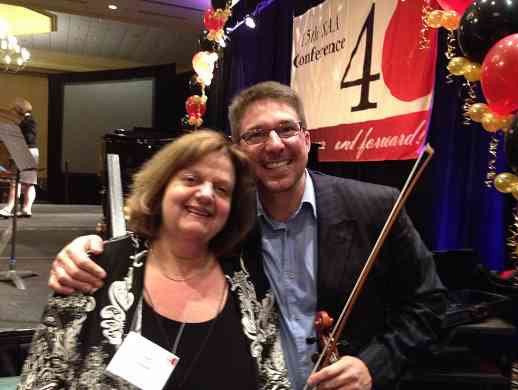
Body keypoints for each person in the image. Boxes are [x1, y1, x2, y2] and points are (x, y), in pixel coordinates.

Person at [48, 82, 447, 390]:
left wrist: (371, 365)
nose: (274, 145)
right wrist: (86, 249)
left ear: (307, 139)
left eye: (287, 129)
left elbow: (429, 305)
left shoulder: (375, 207)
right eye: (256, 135)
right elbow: (162, 242)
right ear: (238, 149)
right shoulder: (224, 221)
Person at [19, 130, 292, 390]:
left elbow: (275, 381)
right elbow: (40, 378)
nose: (206, 194)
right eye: (191, 179)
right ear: (162, 187)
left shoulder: (251, 287)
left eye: (221, 189)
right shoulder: (93, 269)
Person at [0, 98, 38, 218]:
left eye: (14, 110)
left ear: (18, 109)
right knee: (29, 183)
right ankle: (27, 209)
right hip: (33, 151)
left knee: (15, 182)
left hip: (24, 151)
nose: (12, 112)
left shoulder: (26, 122)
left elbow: (15, 122)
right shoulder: (29, 121)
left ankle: (8, 208)